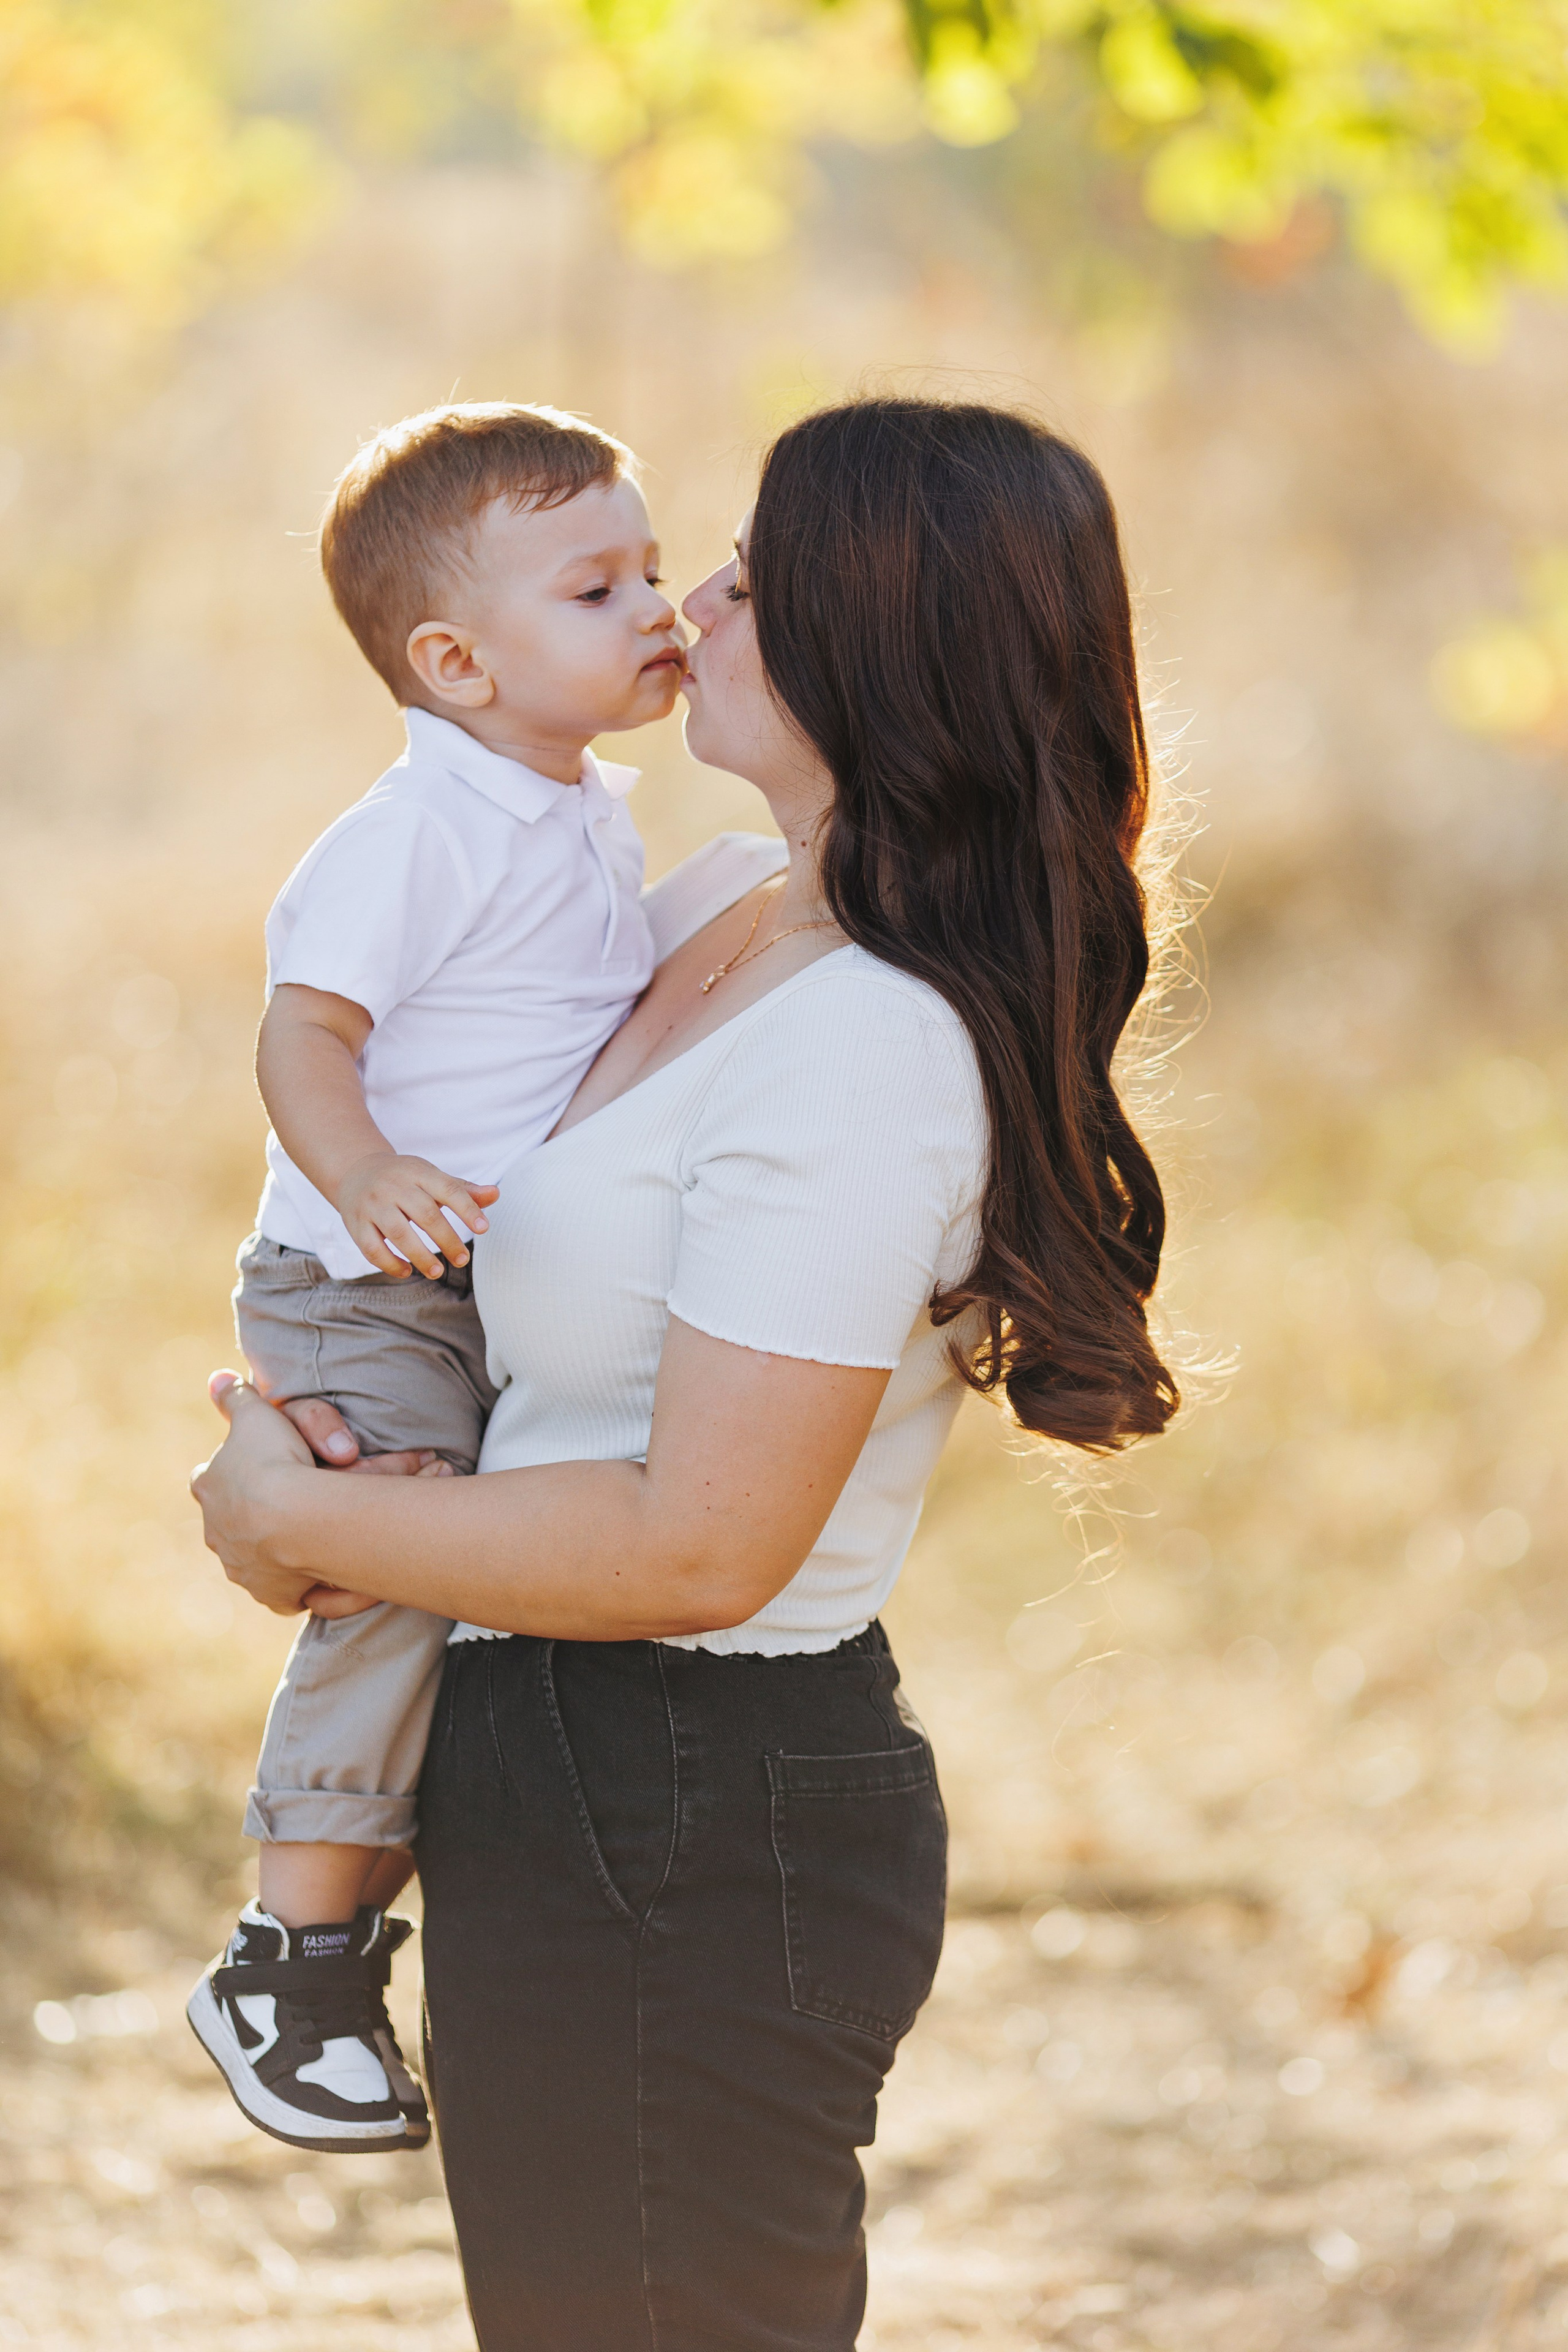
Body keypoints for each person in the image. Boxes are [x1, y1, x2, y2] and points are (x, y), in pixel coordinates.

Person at [192, 395, 1179, 2351]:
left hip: (692, 1796)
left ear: (874, 648)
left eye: (746, 576)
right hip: (546, 1760)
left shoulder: (873, 1038)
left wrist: (296, 1517)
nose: (692, 607)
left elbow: (700, 1547)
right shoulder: (713, 902)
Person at [186, 400, 693, 2156]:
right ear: (458, 663)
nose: (658, 610)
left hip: (472, 1278)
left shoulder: (581, 811)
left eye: (652, 569)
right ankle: (289, 1959)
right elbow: (303, 1033)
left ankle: (425, 1908)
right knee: (393, 1552)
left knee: (495, 1572)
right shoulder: (417, 834)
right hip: (369, 1280)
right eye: (597, 589)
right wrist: (367, 1172)